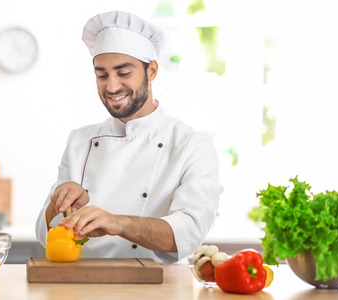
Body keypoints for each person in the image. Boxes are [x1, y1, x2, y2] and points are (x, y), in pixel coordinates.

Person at [35, 10, 223, 264]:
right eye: (101, 75)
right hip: (80, 284)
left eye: (123, 73)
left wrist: (117, 223)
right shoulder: (80, 141)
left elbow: (189, 231)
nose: (111, 87)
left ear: (152, 70)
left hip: (154, 286)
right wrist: (55, 205)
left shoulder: (192, 145)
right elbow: (44, 234)